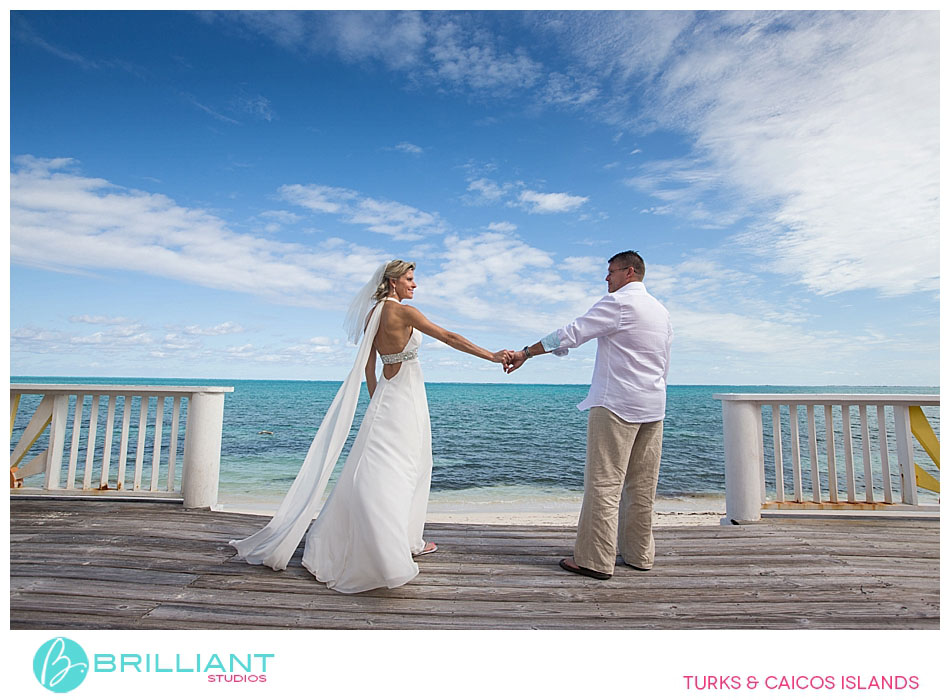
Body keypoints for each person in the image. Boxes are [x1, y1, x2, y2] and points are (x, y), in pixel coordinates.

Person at [231, 260, 511, 593]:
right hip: (407, 398)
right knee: (409, 466)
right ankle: (397, 545)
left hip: (386, 396)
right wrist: (493, 356)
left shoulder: (372, 315)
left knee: (377, 466)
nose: (414, 285)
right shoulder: (405, 313)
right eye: (409, 279)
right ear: (393, 282)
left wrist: (377, 400)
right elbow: (449, 337)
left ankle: (401, 538)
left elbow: (368, 367)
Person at [505, 250, 672, 580]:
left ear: (629, 272)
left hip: (616, 405)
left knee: (604, 484)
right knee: (642, 487)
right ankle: (639, 554)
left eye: (611, 271)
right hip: (653, 406)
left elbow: (570, 333)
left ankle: (595, 561)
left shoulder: (619, 303)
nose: (606, 278)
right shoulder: (660, 311)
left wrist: (526, 352)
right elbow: (664, 363)